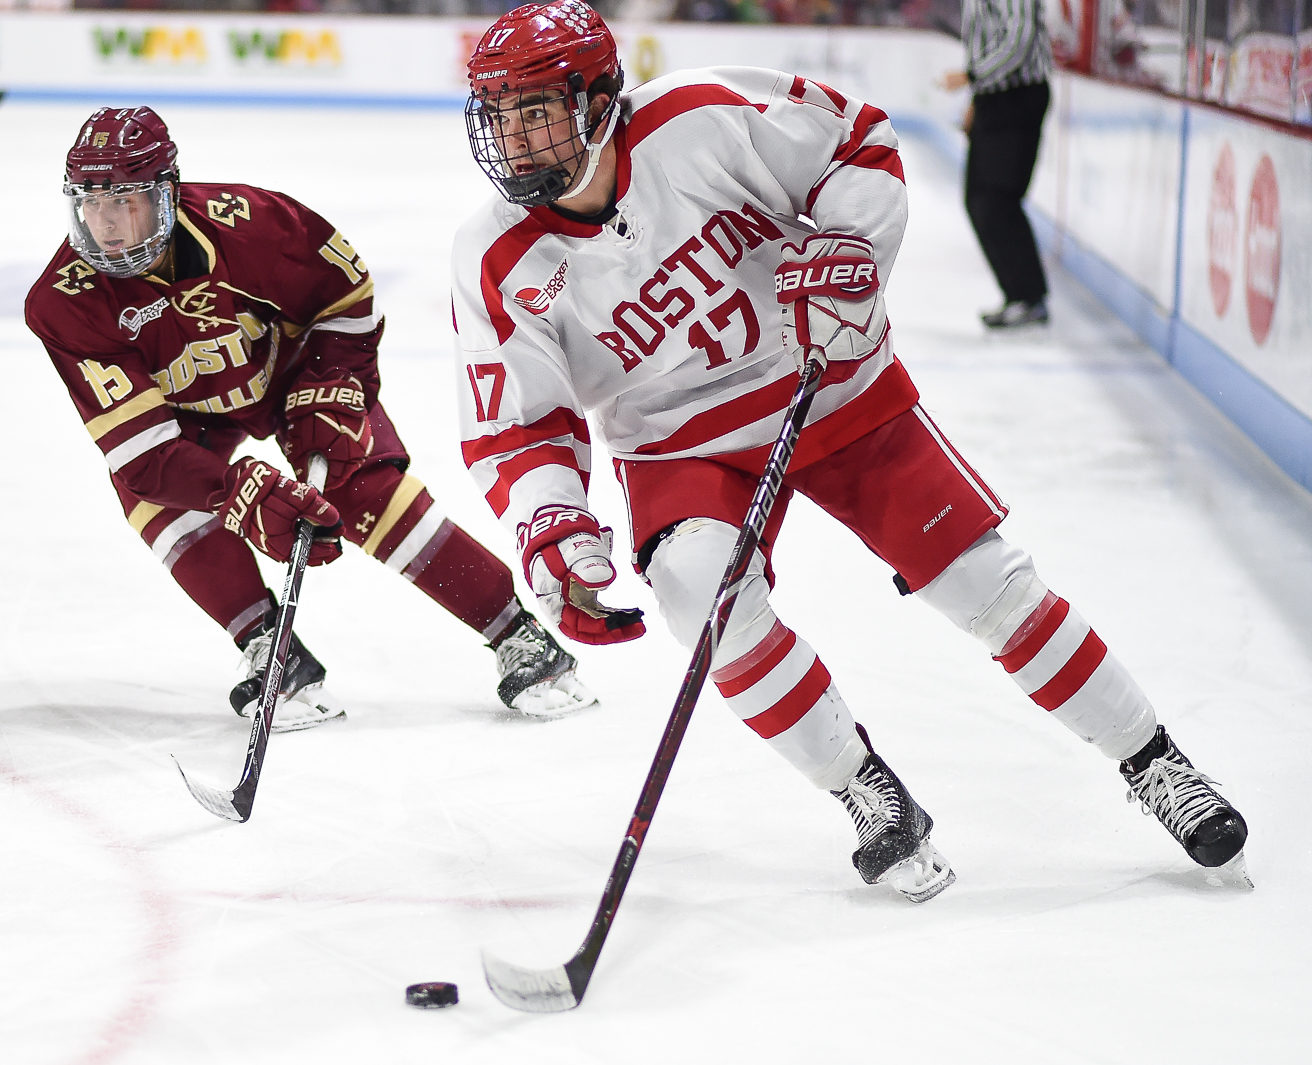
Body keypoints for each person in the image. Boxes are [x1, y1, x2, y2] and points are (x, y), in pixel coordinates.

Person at [451, 0, 1248, 901]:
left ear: (600, 99)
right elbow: (518, 423)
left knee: (985, 585)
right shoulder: (493, 256)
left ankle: (1156, 762)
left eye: (537, 110)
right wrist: (551, 518)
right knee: (699, 596)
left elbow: (856, 144)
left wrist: (852, 256)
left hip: (829, 382)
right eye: (500, 116)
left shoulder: (702, 118)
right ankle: (865, 790)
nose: (515, 140)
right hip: (681, 446)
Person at [24, 107, 595, 735]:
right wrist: (233, 490)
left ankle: (516, 632)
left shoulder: (254, 226)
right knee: (157, 499)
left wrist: (331, 380)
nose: (104, 224)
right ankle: (271, 644)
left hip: (294, 375)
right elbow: (144, 456)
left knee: (362, 487)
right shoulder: (63, 302)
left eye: (125, 200)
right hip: (186, 418)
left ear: (166, 191)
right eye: (91, 202)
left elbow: (346, 294)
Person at [938, 0, 1055, 329]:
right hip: (995, 98)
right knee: (979, 200)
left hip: (1017, 98)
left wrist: (972, 76)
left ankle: (1029, 298)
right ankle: (1020, 296)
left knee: (996, 201)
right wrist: (976, 98)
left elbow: (1020, 38)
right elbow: (989, 41)